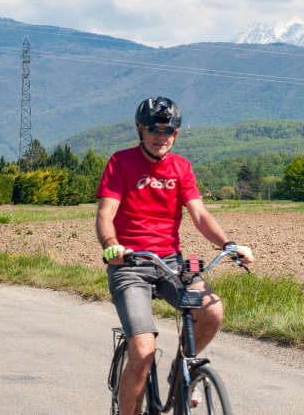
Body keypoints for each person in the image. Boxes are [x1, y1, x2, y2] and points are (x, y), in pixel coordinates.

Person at [96, 96, 254, 415]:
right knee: (143, 350)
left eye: (169, 129)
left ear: (176, 134)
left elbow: (199, 215)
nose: (161, 134)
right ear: (140, 130)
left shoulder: (181, 168)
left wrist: (228, 244)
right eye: (154, 128)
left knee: (213, 311)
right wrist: (111, 245)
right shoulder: (120, 162)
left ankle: (179, 372)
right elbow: (104, 215)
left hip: (170, 263)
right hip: (130, 264)